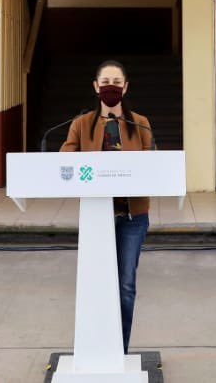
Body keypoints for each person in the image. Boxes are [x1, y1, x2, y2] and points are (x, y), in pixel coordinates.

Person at [61, 60, 155, 354]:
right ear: (96, 87)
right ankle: (96, 350)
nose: (110, 87)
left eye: (116, 82)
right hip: (96, 216)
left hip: (132, 217)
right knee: (95, 285)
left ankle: (119, 351)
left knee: (125, 286)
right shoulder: (81, 124)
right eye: (105, 82)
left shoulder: (139, 123)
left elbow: (154, 163)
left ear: (125, 88)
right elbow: (65, 159)